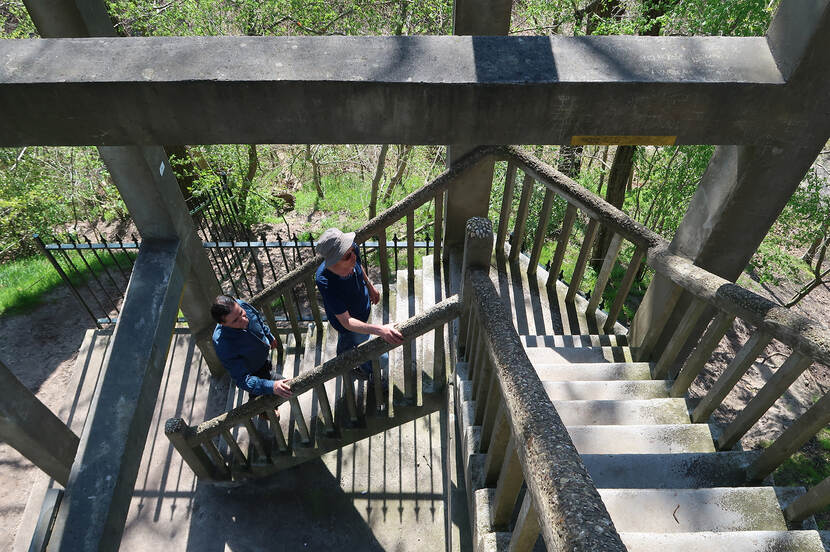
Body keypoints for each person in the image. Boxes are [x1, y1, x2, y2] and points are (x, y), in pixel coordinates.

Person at [315, 228, 403, 379]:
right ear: (333, 262)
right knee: (376, 356)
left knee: (349, 340)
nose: (354, 256)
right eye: (348, 255)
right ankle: (362, 368)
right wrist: (382, 330)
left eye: (352, 250)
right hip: (349, 324)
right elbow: (346, 321)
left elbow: (359, 267)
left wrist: (370, 286)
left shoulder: (351, 250)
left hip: (362, 311)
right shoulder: (325, 280)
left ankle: (344, 353)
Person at [211, 295, 293, 399]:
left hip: (263, 358)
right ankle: (265, 412)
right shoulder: (222, 343)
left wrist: (269, 336)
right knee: (287, 389)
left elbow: (257, 319)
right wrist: (272, 386)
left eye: (241, 313)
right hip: (254, 372)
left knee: (275, 383)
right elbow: (243, 380)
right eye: (235, 321)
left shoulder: (241, 304)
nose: (244, 320)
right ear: (222, 323)